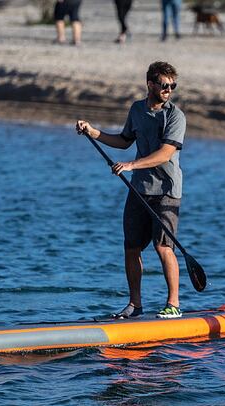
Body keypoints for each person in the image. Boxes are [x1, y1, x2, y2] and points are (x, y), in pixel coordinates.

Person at [76, 61, 187, 319]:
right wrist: (94, 132)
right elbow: (125, 141)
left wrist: (131, 165)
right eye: (164, 85)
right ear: (150, 84)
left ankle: (173, 304)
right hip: (139, 189)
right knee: (131, 247)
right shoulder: (137, 109)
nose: (169, 89)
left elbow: (165, 153)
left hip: (167, 191)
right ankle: (135, 304)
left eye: (173, 86)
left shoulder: (175, 116)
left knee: (163, 247)